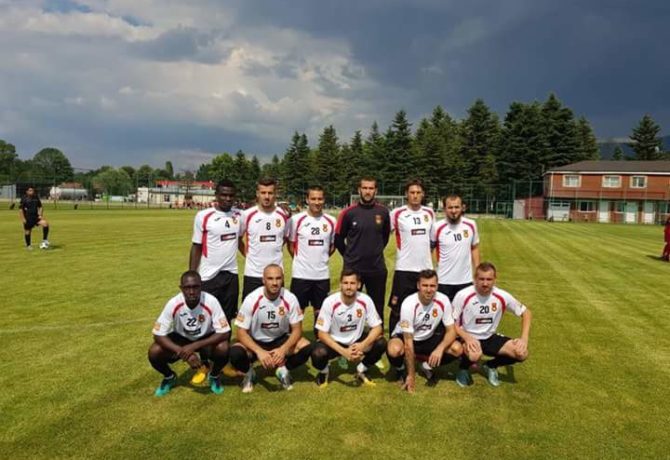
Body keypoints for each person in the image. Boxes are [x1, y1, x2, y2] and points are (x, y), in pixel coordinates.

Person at [230, 264, 312, 393]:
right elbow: (240, 332)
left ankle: (283, 369)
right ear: (263, 280)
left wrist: (283, 349)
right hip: (256, 340)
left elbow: (297, 330)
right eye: (270, 278)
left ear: (283, 279)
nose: (274, 283)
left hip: (280, 339)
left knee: (306, 347)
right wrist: (259, 351)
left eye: (278, 278)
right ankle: (249, 372)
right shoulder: (251, 299)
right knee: (235, 353)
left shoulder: (290, 298)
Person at [148, 271, 231, 396]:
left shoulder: (211, 301)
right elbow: (158, 334)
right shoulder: (174, 303)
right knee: (154, 351)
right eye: (187, 288)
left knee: (223, 347)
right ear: (181, 288)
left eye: (195, 287)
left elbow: (224, 332)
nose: (191, 292)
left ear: (201, 286)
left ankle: (214, 375)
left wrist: (193, 346)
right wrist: (183, 352)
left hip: (205, 339)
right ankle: (169, 377)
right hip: (182, 338)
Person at [452, 262, 532, 388]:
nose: (485, 283)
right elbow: (450, 322)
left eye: (489, 279)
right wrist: (467, 338)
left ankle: (490, 366)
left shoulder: (502, 296)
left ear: (495, 279)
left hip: (490, 337)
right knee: (474, 355)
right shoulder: (463, 295)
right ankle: (463, 369)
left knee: (522, 353)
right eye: (481, 279)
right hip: (468, 336)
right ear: (475, 279)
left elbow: (526, 313)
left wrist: (524, 339)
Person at [386, 269, 461, 392]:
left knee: (457, 349)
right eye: (425, 285)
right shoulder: (408, 304)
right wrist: (411, 375)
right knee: (394, 349)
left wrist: (440, 349)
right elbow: (408, 342)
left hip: (428, 337)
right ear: (418, 286)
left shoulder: (443, 300)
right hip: (407, 337)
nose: (429, 289)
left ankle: (426, 365)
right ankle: (401, 369)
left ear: (437, 286)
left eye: (432, 286)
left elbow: (451, 330)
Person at [310, 269, 387, 387]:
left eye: (352, 283)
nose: (349, 287)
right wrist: (344, 352)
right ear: (340, 284)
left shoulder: (365, 300)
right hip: (336, 342)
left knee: (381, 343)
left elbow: (377, 327)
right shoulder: (330, 302)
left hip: (357, 341)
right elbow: (321, 333)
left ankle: (362, 369)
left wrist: (363, 345)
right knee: (317, 353)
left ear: (359, 285)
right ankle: (324, 372)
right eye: (345, 283)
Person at [335, 177, 390, 329]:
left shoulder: (383, 212)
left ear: (375, 191)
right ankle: (347, 334)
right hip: (353, 269)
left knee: (377, 305)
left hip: (376, 268)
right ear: (359, 190)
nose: (367, 191)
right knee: (349, 304)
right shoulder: (348, 213)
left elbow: (385, 237)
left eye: (371, 188)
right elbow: (338, 238)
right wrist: (349, 255)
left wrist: (375, 251)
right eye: (364, 188)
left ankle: (377, 336)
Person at [190, 179, 242, 326]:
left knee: (227, 318)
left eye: (231, 195)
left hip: (231, 275)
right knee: (206, 318)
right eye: (224, 195)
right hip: (208, 276)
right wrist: (192, 274)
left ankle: (225, 341)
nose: (228, 198)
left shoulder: (239, 215)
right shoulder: (203, 216)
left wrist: (282, 210)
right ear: (216, 195)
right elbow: (196, 246)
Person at [388, 179, 435, 334]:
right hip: (404, 269)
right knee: (398, 307)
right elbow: (383, 234)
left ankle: (422, 335)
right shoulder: (397, 213)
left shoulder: (429, 213)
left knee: (425, 306)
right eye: (412, 192)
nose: (415, 195)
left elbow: (432, 240)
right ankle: (394, 338)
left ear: (423, 194)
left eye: (418, 192)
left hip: (425, 270)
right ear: (406, 194)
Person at [287, 185, 336, 325]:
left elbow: (332, 246)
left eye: (320, 199)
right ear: (307, 200)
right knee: (297, 314)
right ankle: (295, 339)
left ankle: (319, 338)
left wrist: (321, 259)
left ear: (324, 200)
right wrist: (301, 260)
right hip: (300, 275)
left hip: (322, 276)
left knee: (321, 315)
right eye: (313, 199)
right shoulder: (296, 220)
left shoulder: (331, 221)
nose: (317, 202)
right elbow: (291, 245)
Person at [239, 178, 289, 299]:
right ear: (257, 193)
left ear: (275, 194)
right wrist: (249, 255)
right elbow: (238, 239)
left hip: (276, 275)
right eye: (263, 192)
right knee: (250, 309)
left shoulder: (283, 215)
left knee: (277, 309)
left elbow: (284, 238)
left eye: (270, 193)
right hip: (253, 274)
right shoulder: (247, 215)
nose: (267, 197)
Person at [431, 194, 480, 301]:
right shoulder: (437, 227)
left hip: (466, 281)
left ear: (462, 207)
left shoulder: (471, 225)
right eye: (450, 207)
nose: (453, 211)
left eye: (457, 207)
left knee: (466, 311)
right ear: (444, 209)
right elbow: (430, 250)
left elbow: (474, 248)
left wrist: (478, 272)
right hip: (443, 281)